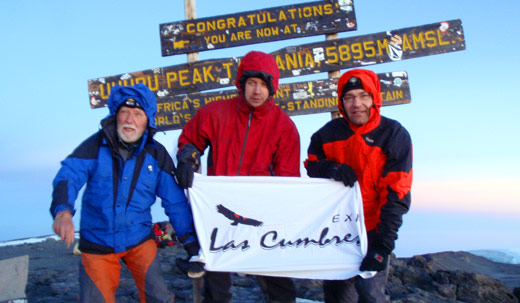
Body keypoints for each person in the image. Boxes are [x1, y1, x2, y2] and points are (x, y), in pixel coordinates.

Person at [50, 83, 202, 303]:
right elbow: (69, 175)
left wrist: (190, 243)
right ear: (115, 115)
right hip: (97, 242)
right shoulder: (94, 146)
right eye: (124, 112)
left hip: (139, 239)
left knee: (158, 297)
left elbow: (175, 202)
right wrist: (63, 212)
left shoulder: (156, 154)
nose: (130, 120)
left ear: (147, 119)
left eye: (138, 114)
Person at [175, 50, 300, 303]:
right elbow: (190, 140)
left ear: (272, 87)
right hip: (219, 213)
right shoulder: (215, 112)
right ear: (241, 83)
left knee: (280, 288)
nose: (257, 90)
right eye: (252, 82)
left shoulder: (284, 126)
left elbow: (289, 179)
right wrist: (188, 157)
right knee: (217, 289)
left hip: (262, 216)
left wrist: (282, 217)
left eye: (264, 84)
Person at [304, 69, 413, 303]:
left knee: (371, 295)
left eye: (364, 96)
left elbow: (397, 191)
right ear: (341, 103)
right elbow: (312, 165)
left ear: (375, 98)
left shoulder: (394, 134)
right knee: (336, 297)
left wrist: (383, 245)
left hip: (373, 230)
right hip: (336, 230)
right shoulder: (326, 134)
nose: (357, 104)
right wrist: (331, 169)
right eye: (349, 97)